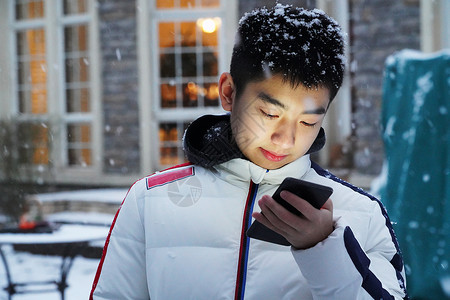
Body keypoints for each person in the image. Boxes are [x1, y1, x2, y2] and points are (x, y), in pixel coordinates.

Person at [90, 4, 408, 299]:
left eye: (309, 121)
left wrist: (324, 250)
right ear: (229, 92)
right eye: (269, 114)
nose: (285, 139)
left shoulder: (360, 213)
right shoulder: (150, 201)